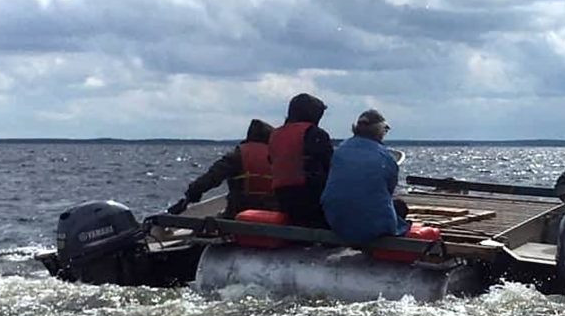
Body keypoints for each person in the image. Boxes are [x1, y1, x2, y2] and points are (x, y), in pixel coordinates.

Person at [321, 110, 410, 244]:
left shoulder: (340, 150)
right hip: (373, 225)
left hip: (335, 219)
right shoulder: (385, 157)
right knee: (399, 207)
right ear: (379, 131)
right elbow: (389, 190)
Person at [167, 119, 275, 217]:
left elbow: (211, 178)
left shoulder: (237, 156)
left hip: (238, 213)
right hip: (273, 213)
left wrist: (191, 195)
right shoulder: (277, 157)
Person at [269, 93, 333, 227]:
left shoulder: (275, 134)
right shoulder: (316, 134)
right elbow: (330, 165)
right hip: (311, 197)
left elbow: (271, 160)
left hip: (282, 197)